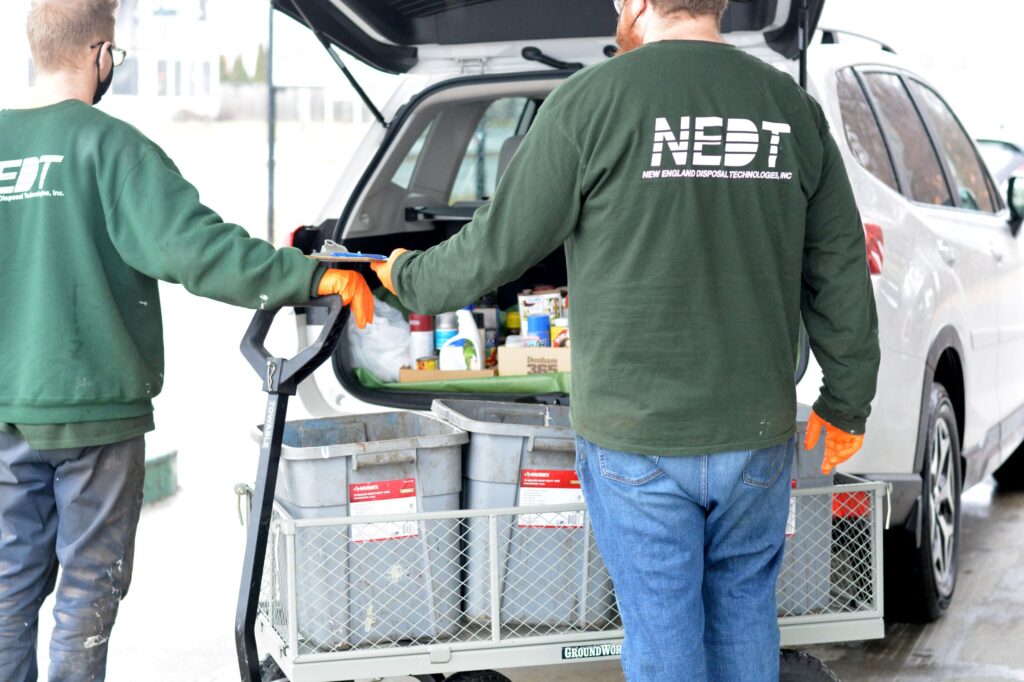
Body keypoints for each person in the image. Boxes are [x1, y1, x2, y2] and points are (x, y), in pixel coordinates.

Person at [370, 0, 880, 679]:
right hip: (753, 427)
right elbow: (838, 270)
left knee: (661, 617)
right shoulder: (789, 107)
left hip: (634, 436)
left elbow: (491, 252)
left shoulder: (590, 103)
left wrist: (402, 276)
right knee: (743, 606)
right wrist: (847, 402)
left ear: (637, 2)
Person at [0, 1, 374, 680]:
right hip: (95, 414)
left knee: (6, 589)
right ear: (100, 53)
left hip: (4, 410)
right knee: (87, 590)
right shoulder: (112, 149)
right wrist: (312, 277)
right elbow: (199, 252)